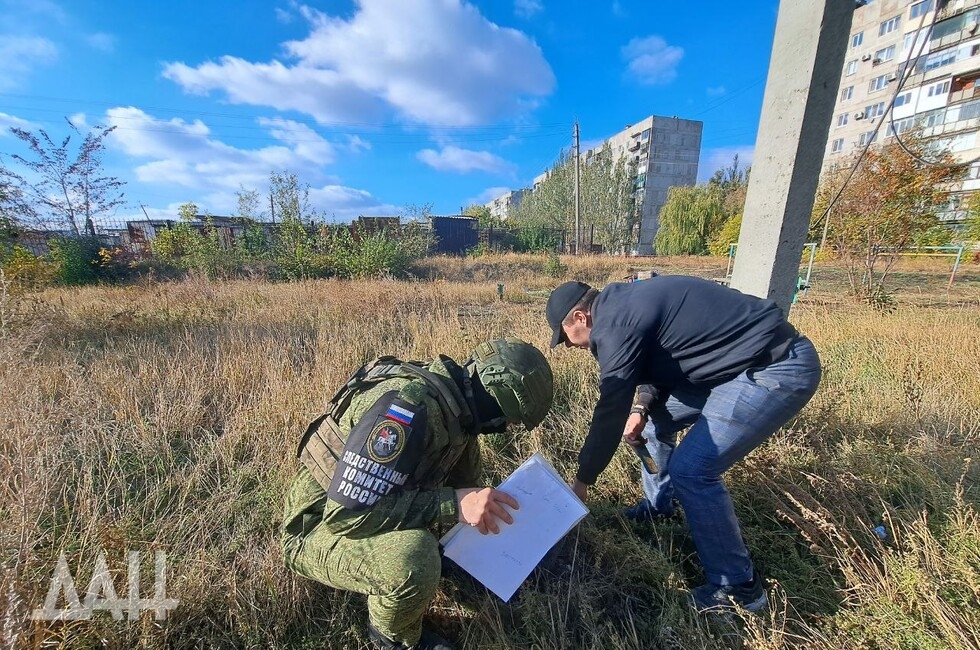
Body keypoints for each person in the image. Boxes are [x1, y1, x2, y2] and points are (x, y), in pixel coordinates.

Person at [545, 277, 821, 613]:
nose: (571, 346)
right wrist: (641, 408)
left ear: (580, 318)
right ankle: (659, 506)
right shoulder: (622, 305)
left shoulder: (614, 323)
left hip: (772, 366)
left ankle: (738, 589)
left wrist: (582, 481)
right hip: (730, 368)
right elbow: (652, 360)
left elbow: (609, 410)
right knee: (651, 425)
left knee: (692, 470)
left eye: (565, 337)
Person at [281, 337, 554, 650]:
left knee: (477, 501)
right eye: (508, 419)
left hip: (370, 508)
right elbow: (346, 516)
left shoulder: (456, 410)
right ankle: (393, 636)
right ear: (494, 400)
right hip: (317, 528)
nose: (506, 428)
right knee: (417, 558)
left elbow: (466, 486)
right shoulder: (406, 409)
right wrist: (452, 504)